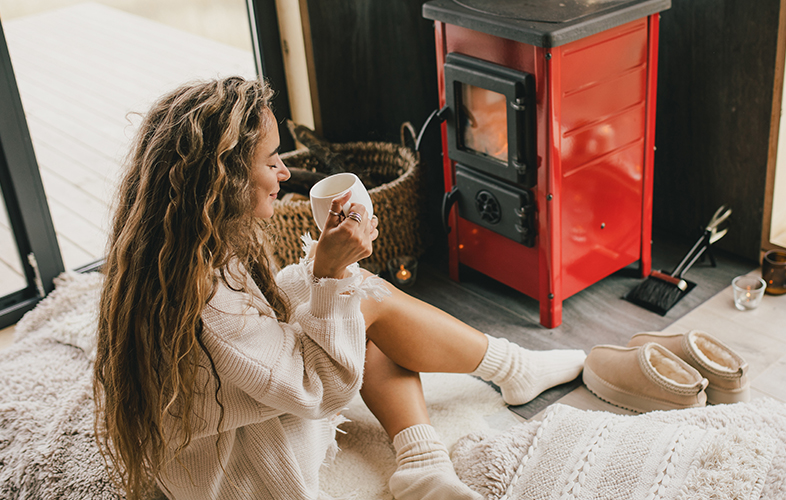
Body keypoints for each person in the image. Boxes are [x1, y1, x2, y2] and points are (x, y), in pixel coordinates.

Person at [93, 76, 586, 500]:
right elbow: (318, 388)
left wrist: (328, 275)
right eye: (271, 162)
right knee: (353, 302)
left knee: (330, 292)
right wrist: (330, 275)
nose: (284, 173)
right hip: (241, 469)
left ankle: (425, 464)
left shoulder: (172, 252)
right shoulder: (207, 304)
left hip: (213, 432)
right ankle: (501, 377)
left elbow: (269, 330)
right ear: (221, 178)